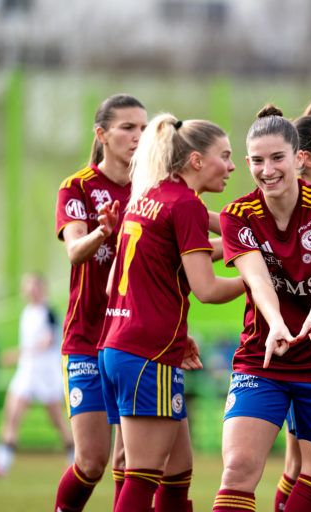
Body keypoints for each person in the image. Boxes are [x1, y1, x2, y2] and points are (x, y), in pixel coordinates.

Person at [216, 105, 311, 512]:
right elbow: (258, 280)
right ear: (248, 163)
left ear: (299, 159)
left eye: (278, 157)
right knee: (238, 469)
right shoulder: (237, 215)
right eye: (258, 161)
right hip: (263, 359)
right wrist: (277, 322)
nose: (268, 169)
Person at [99, 112, 244, 512]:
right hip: (147, 354)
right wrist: (258, 277)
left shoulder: (147, 196)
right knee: (143, 474)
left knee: (178, 470)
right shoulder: (186, 205)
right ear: (196, 161)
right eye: (225, 156)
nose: (232, 167)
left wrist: (176, 330)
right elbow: (208, 288)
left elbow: (119, 282)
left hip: (120, 346)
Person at [53, 94, 146, 511]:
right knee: (91, 461)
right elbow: (75, 251)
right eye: (128, 128)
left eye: (144, 128)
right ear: (102, 134)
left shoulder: (150, 191)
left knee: (133, 462)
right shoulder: (78, 187)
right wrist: (103, 233)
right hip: (86, 340)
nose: (138, 137)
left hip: (133, 341)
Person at [0, 273, 72, 478]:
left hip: (46, 374)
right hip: (27, 373)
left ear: (41, 288)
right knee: (11, 416)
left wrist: (19, 353)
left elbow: (48, 341)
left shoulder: (48, 312)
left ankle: (75, 460)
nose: (28, 290)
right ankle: (1, 465)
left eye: (32, 286)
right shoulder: (27, 312)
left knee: (57, 421)